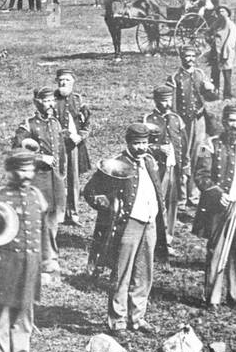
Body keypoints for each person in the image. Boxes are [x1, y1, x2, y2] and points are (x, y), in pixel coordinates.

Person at [0, 150, 54, 352]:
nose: (27, 175)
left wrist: (47, 260)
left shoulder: (36, 195)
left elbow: (43, 231)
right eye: (22, 170)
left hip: (30, 264)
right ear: (11, 172)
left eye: (30, 170)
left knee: (25, 313)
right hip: (6, 265)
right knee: (2, 315)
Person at [88, 123, 168, 333]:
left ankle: (137, 317)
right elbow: (90, 191)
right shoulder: (117, 163)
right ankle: (118, 320)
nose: (141, 147)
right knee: (122, 272)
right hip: (128, 224)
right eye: (137, 143)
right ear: (128, 142)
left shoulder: (150, 161)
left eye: (144, 142)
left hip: (149, 222)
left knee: (144, 272)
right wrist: (110, 206)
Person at [193, 104, 236, 308]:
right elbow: (200, 176)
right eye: (230, 121)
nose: (234, 125)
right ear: (224, 122)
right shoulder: (211, 144)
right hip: (219, 206)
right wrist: (218, 194)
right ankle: (212, 297)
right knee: (216, 251)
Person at [14, 87, 67, 272]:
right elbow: (17, 151)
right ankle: (33, 258)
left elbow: (61, 150)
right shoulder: (28, 124)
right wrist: (40, 158)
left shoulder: (55, 123)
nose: (51, 104)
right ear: (37, 102)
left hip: (54, 179)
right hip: (37, 180)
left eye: (52, 100)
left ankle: (50, 257)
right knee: (36, 219)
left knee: (52, 219)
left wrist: (62, 174)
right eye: (46, 101)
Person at [166, 44, 219, 209]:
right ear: (181, 57)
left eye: (192, 56)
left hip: (200, 121)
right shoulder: (174, 77)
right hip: (183, 124)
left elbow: (212, 98)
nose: (190, 59)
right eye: (186, 56)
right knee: (183, 157)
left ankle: (195, 195)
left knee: (201, 154)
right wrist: (175, 122)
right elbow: (172, 104)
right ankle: (181, 197)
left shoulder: (200, 74)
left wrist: (212, 89)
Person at [143, 84, 187, 231]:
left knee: (171, 201)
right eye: (163, 100)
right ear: (156, 101)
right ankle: (155, 232)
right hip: (157, 168)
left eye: (169, 100)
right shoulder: (148, 119)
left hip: (173, 167)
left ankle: (168, 234)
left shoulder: (177, 119)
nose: (167, 104)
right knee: (157, 199)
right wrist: (158, 149)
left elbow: (184, 145)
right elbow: (142, 146)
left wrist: (185, 167)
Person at [51, 70, 92, 226]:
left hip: (75, 146)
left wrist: (81, 136)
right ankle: (59, 213)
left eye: (67, 80)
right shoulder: (52, 100)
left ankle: (73, 214)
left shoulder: (78, 100)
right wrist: (66, 135)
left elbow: (87, 121)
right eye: (61, 80)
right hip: (57, 146)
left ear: (73, 82)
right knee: (58, 177)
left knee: (74, 179)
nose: (63, 83)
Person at [209, 7, 236, 100]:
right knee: (214, 74)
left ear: (227, 13)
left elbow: (231, 41)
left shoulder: (231, 25)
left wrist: (225, 53)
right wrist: (210, 40)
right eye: (219, 11)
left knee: (227, 75)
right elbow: (209, 33)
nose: (221, 13)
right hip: (215, 52)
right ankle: (214, 94)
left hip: (226, 53)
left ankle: (227, 95)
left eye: (223, 11)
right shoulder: (216, 23)